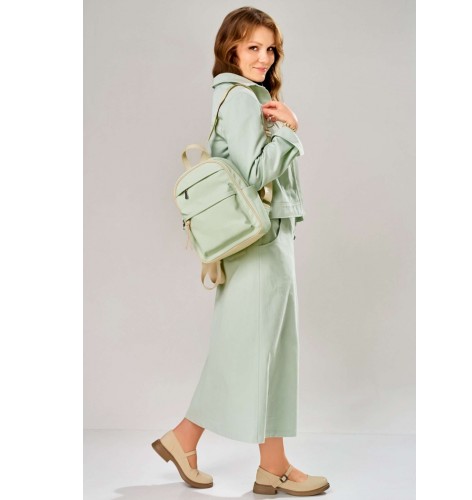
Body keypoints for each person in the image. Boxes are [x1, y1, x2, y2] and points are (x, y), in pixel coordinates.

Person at [151, 6, 330, 496]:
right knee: (254, 351)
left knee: (265, 351)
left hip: (262, 238)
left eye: (270, 49)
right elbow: (254, 173)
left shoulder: (241, 97)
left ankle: (269, 463)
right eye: (253, 47)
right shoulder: (241, 100)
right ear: (231, 49)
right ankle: (192, 439)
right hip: (261, 241)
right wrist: (290, 131)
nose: (264, 57)